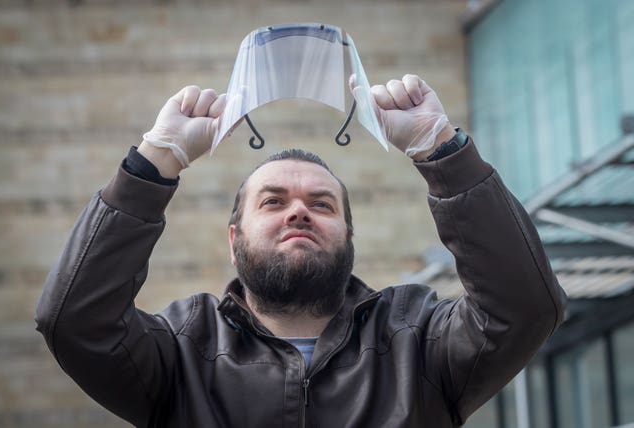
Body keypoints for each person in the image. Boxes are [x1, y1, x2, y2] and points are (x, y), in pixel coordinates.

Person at [36, 74, 566, 427]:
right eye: (272, 202)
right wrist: (154, 163)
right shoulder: (178, 349)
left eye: (321, 203)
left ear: (348, 238)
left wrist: (441, 148)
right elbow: (75, 323)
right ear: (233, 238)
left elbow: (523, 309)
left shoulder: (419, 338)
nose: (298, 211)